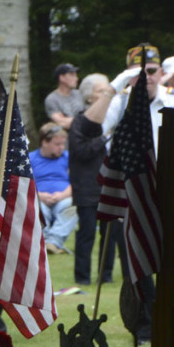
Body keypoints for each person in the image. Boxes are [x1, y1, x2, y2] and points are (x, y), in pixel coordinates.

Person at [100, 43, 174, 342]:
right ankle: (145, 325)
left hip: (171, 191)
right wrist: (117, 87)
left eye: (150, 72)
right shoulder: (119, 103)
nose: (145, 78)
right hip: (132, 193)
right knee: (137, 261)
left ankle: (170, 317)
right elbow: (92, 128)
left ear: (160, 73)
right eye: (137, 74)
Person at [69, 73, 111, 284]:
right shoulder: (80, 121)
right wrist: (103, 139)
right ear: (88, 97)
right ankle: (82, 277)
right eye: (100, 91)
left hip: (109, 186)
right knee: (87, 234)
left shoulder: (112, 118)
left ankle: (107, 276)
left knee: (110, 235)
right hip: (87, 186)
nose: (106, 95)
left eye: (107, 90)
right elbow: (81, 151)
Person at [29, 122, 77, 254]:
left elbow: (77, 182)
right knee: (34, 207)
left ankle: (53, 243)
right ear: (44, 142)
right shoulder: (30, 159)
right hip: (39, 198)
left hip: (63, 198)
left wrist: (62, 195)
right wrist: (40, 196)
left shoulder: (68, 158)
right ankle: (43, 242)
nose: (61, 147)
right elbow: (24, 184)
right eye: (57, 144)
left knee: (74, 205)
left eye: (63, 144)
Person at [44, 63, 84, 130]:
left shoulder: (80, 94)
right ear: (62, 77)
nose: (76, 78)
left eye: (76, 75)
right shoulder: (52, 99)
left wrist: (68, 119)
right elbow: (62, 123)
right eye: (72, 75)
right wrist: (84, 120)